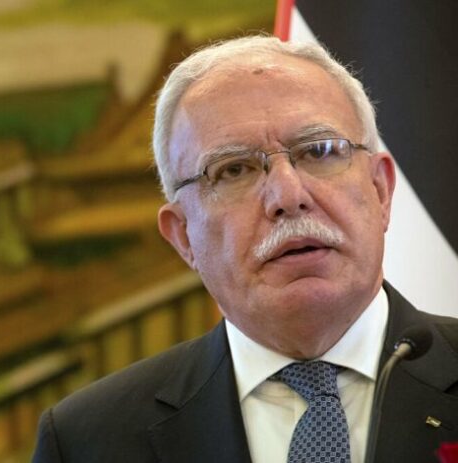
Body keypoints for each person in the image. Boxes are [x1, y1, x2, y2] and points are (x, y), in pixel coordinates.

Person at [31, 35, 458, 463]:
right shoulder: (86, 440)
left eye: (319, 151)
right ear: (183, 235)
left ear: (380, 191)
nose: (288, 196)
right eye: (234, 170)